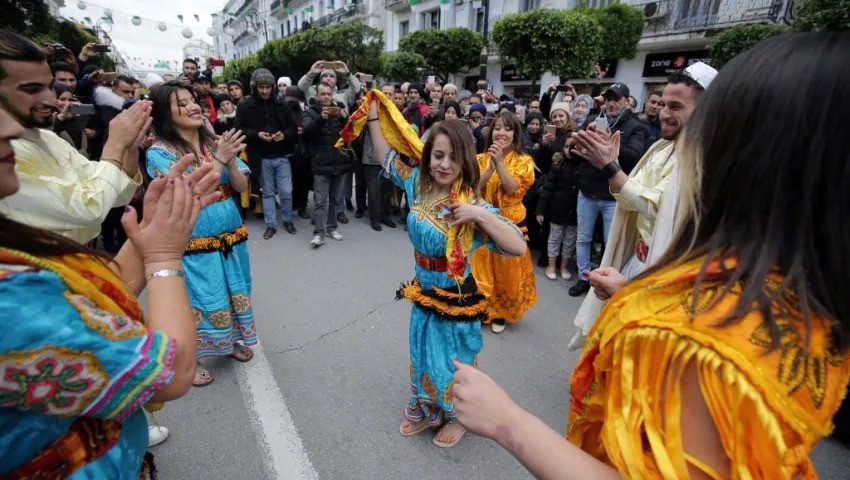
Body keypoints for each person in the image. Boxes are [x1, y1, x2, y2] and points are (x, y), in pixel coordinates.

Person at [451, 31, 850, 480]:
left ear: (755, 153)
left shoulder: (703, 340)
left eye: (715, 123)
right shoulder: (794, 292)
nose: (677, 125)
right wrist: (637, 289)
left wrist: (508, 421)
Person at [0, 98, 218, 477]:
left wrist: (154, 230)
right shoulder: (10, 305)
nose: (12, 128)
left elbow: (95, 300)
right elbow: (169, 372)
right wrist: (164, 258)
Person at [340, 90, 527, 448]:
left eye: (453, 159)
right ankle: (427, 408)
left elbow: (517, 245)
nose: (443, 164)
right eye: (438, 155)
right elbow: (386, 157)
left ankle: (458, 416)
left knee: (454, 361)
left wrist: (478, 214)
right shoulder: (417, 184)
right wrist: (376, 116)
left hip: (457, 296)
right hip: (424, 290)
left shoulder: (469, 201)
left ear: (465, 162)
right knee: (423, 352)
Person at [567, 62, 717, 350]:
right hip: (638, 259)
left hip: (667, 274)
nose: (663, 114)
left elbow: (656, 207)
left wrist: (610, 167)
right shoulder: (663, 146)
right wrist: (610, 169)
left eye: (675, 107)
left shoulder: (705, 158)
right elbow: (630, 201)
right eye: (663, 105)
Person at [146, 81, 255, 386]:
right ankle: (188, 360)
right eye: (181, 103)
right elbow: (186, 192)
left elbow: (241, 186)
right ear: (164, 114)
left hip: (231, 235)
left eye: (192, 100)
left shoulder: (214, 142)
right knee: (197, 300)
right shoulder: (159, 153)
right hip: (194, 238)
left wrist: (231, 161)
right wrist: (220, 159)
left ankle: (228, 342)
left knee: (235, 291)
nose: (193, 106)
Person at [0, 31, 144, 245]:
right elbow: (88, 208)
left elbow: (111, 193)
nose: (52, 100)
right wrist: (115, 144)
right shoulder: (5, 157)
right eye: (32, 89)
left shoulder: (48, 139)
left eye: (50, 87)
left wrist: (130, 148)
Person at [569, 82, 648, 297]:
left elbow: (636, 157)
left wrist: (610, 143)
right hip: (587, 190)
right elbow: (574, 148)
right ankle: (584, 277)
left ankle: (604, 281)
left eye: (616, 99)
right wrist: (579, 141)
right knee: (583, 238)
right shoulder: (593, 119)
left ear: (627, 101)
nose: (611, 103)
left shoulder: (636, 126)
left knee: (609, 241)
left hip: (613, 195)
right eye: (609, 98)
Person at [471, 111, 538, 333]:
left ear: (515, 134)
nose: (501, 133)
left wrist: (499, 163)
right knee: (481, 269)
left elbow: (512, 189)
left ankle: (501, 312)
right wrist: (490, 167)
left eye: (507, 129)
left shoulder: (524, 161)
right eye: (498, 128)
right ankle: (483, 308)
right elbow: (472, 189)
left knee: (505, 271)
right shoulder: (481, 159)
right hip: (482, 222)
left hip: (509, 224)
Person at [235, 68, 299, 239]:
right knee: (268, 193)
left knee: (286, 192)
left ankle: (287, 220)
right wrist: (257, 134)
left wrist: (283, 135)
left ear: (273, 87)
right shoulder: (244, 106)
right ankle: (271, 225)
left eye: (268, 87)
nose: (264, 91)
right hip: (260, 158)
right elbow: (238, 129)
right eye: (261, 87)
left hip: (282, 156)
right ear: (255, 87)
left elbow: (293, 127)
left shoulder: (281, 104)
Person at [300, 82, 350, 248]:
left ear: (332, 94)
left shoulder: (339, 109)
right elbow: (306, 131)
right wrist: (321, 118)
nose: (326, 97)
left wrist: (345, 118)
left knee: (335, 199)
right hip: (321, 164)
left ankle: (332, 227)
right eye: (323, 94)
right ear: (317, 96)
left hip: (340, 162)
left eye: (329, 94)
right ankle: (318, 233)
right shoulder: (309, 112)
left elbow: (350, 133)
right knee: (321, 201)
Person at [536, 150, 578, 281]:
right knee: (554, 238)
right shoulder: (557, 166)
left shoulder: (583, 165)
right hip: (557, 208)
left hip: (575, 210)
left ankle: (564, 266)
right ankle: (551, 266)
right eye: (566, 145)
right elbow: (547, 188)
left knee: (570, 240)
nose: (569, 149)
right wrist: (540, 210)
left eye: (573, 146)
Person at [50, 82, 87, 155]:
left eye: (70, 100)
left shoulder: (73, 118)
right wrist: (61, 118)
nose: (67, 103)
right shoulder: (46, 119)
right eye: (62, 99)